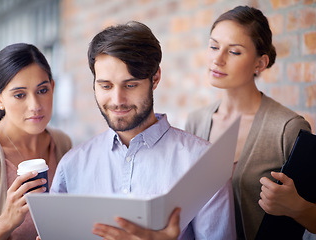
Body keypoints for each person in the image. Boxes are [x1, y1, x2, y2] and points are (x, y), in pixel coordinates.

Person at [51, 21, 236, 239]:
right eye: (106, 86)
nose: (117, 100)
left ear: (155, 78)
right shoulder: (71, 167)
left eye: (130, 85)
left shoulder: (204, 163)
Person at [185, 5, 316, 240]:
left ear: (260, 64)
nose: (217, 59)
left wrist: (296, 206)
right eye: (213, 46)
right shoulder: (195, 121)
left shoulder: (288, 127)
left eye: (234, 52)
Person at [0, 43, 72, 240]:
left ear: (53, 87)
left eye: (42, 90)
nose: (35, 106)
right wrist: (6, 222)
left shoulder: (62, 144)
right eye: (19, 95)